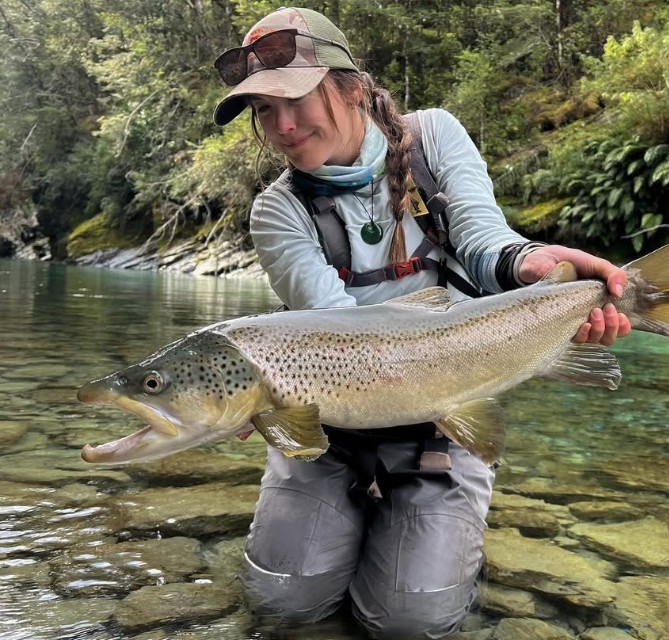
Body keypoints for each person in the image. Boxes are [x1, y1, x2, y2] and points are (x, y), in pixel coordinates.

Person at [212, 7, 631, 639]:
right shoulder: (278, 210)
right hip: (329, 424)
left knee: (409, 622)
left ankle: (420, 530)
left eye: (296, 98)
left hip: (447, 408)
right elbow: (337, 336)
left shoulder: (433, 137)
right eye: (264, 111)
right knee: (283, 605)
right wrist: (255, 399)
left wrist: (530, 265)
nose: (284, 125)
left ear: (352, 86)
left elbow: (484, 241)